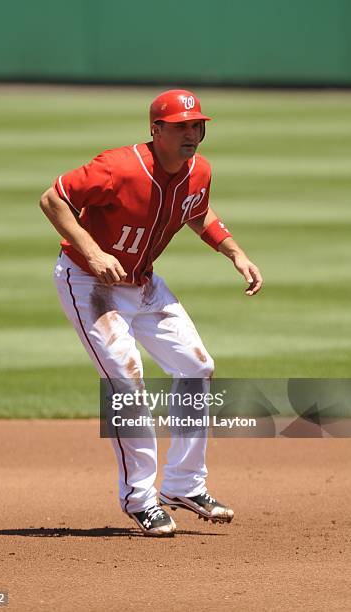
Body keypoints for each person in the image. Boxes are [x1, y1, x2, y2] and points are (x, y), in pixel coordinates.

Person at [40, 89, 263, 537]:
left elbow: (196, 210)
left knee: (197, 366)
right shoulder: (118, 167)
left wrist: (234, 252)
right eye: (181, 126)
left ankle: (184, 484)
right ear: (156, 129)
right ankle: (140, 498)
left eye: (197, 125)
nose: (192, 133)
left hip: (143, 284)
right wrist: (91, 250)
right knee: (128, 382)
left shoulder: (198, 171)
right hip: (90, 285)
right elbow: (53, 199)